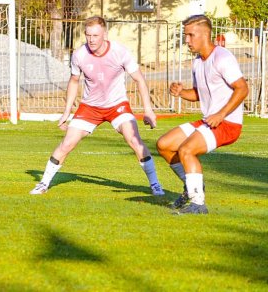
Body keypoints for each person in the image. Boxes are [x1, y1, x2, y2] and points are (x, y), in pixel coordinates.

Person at [29, 16, 164, 196]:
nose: (91, 40)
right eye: (88, 35)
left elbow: (139, 79)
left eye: (95, 35)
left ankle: (155, 185)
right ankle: (43, 183)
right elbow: (74, 81)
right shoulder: (79, 55)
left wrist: (148, 110)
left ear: (104, 35)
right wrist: (66, 112)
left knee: (133, 140)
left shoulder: (120, 52)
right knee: (67, 143)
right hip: (90, 107)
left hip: (117, 105)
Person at [156, 14, 248, 214]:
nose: (186, 40)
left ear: (205, 34)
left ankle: (198, 204)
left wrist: (221, 114)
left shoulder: (222, 57)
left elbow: (242, 88)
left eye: (190, 35)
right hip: (210, 121)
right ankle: (192, 187)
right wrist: (181, 93)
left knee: (186, 150)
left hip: (227, 123)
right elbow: (199, 94)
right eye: (185, 35)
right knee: (164, 145)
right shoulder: (198, 61)